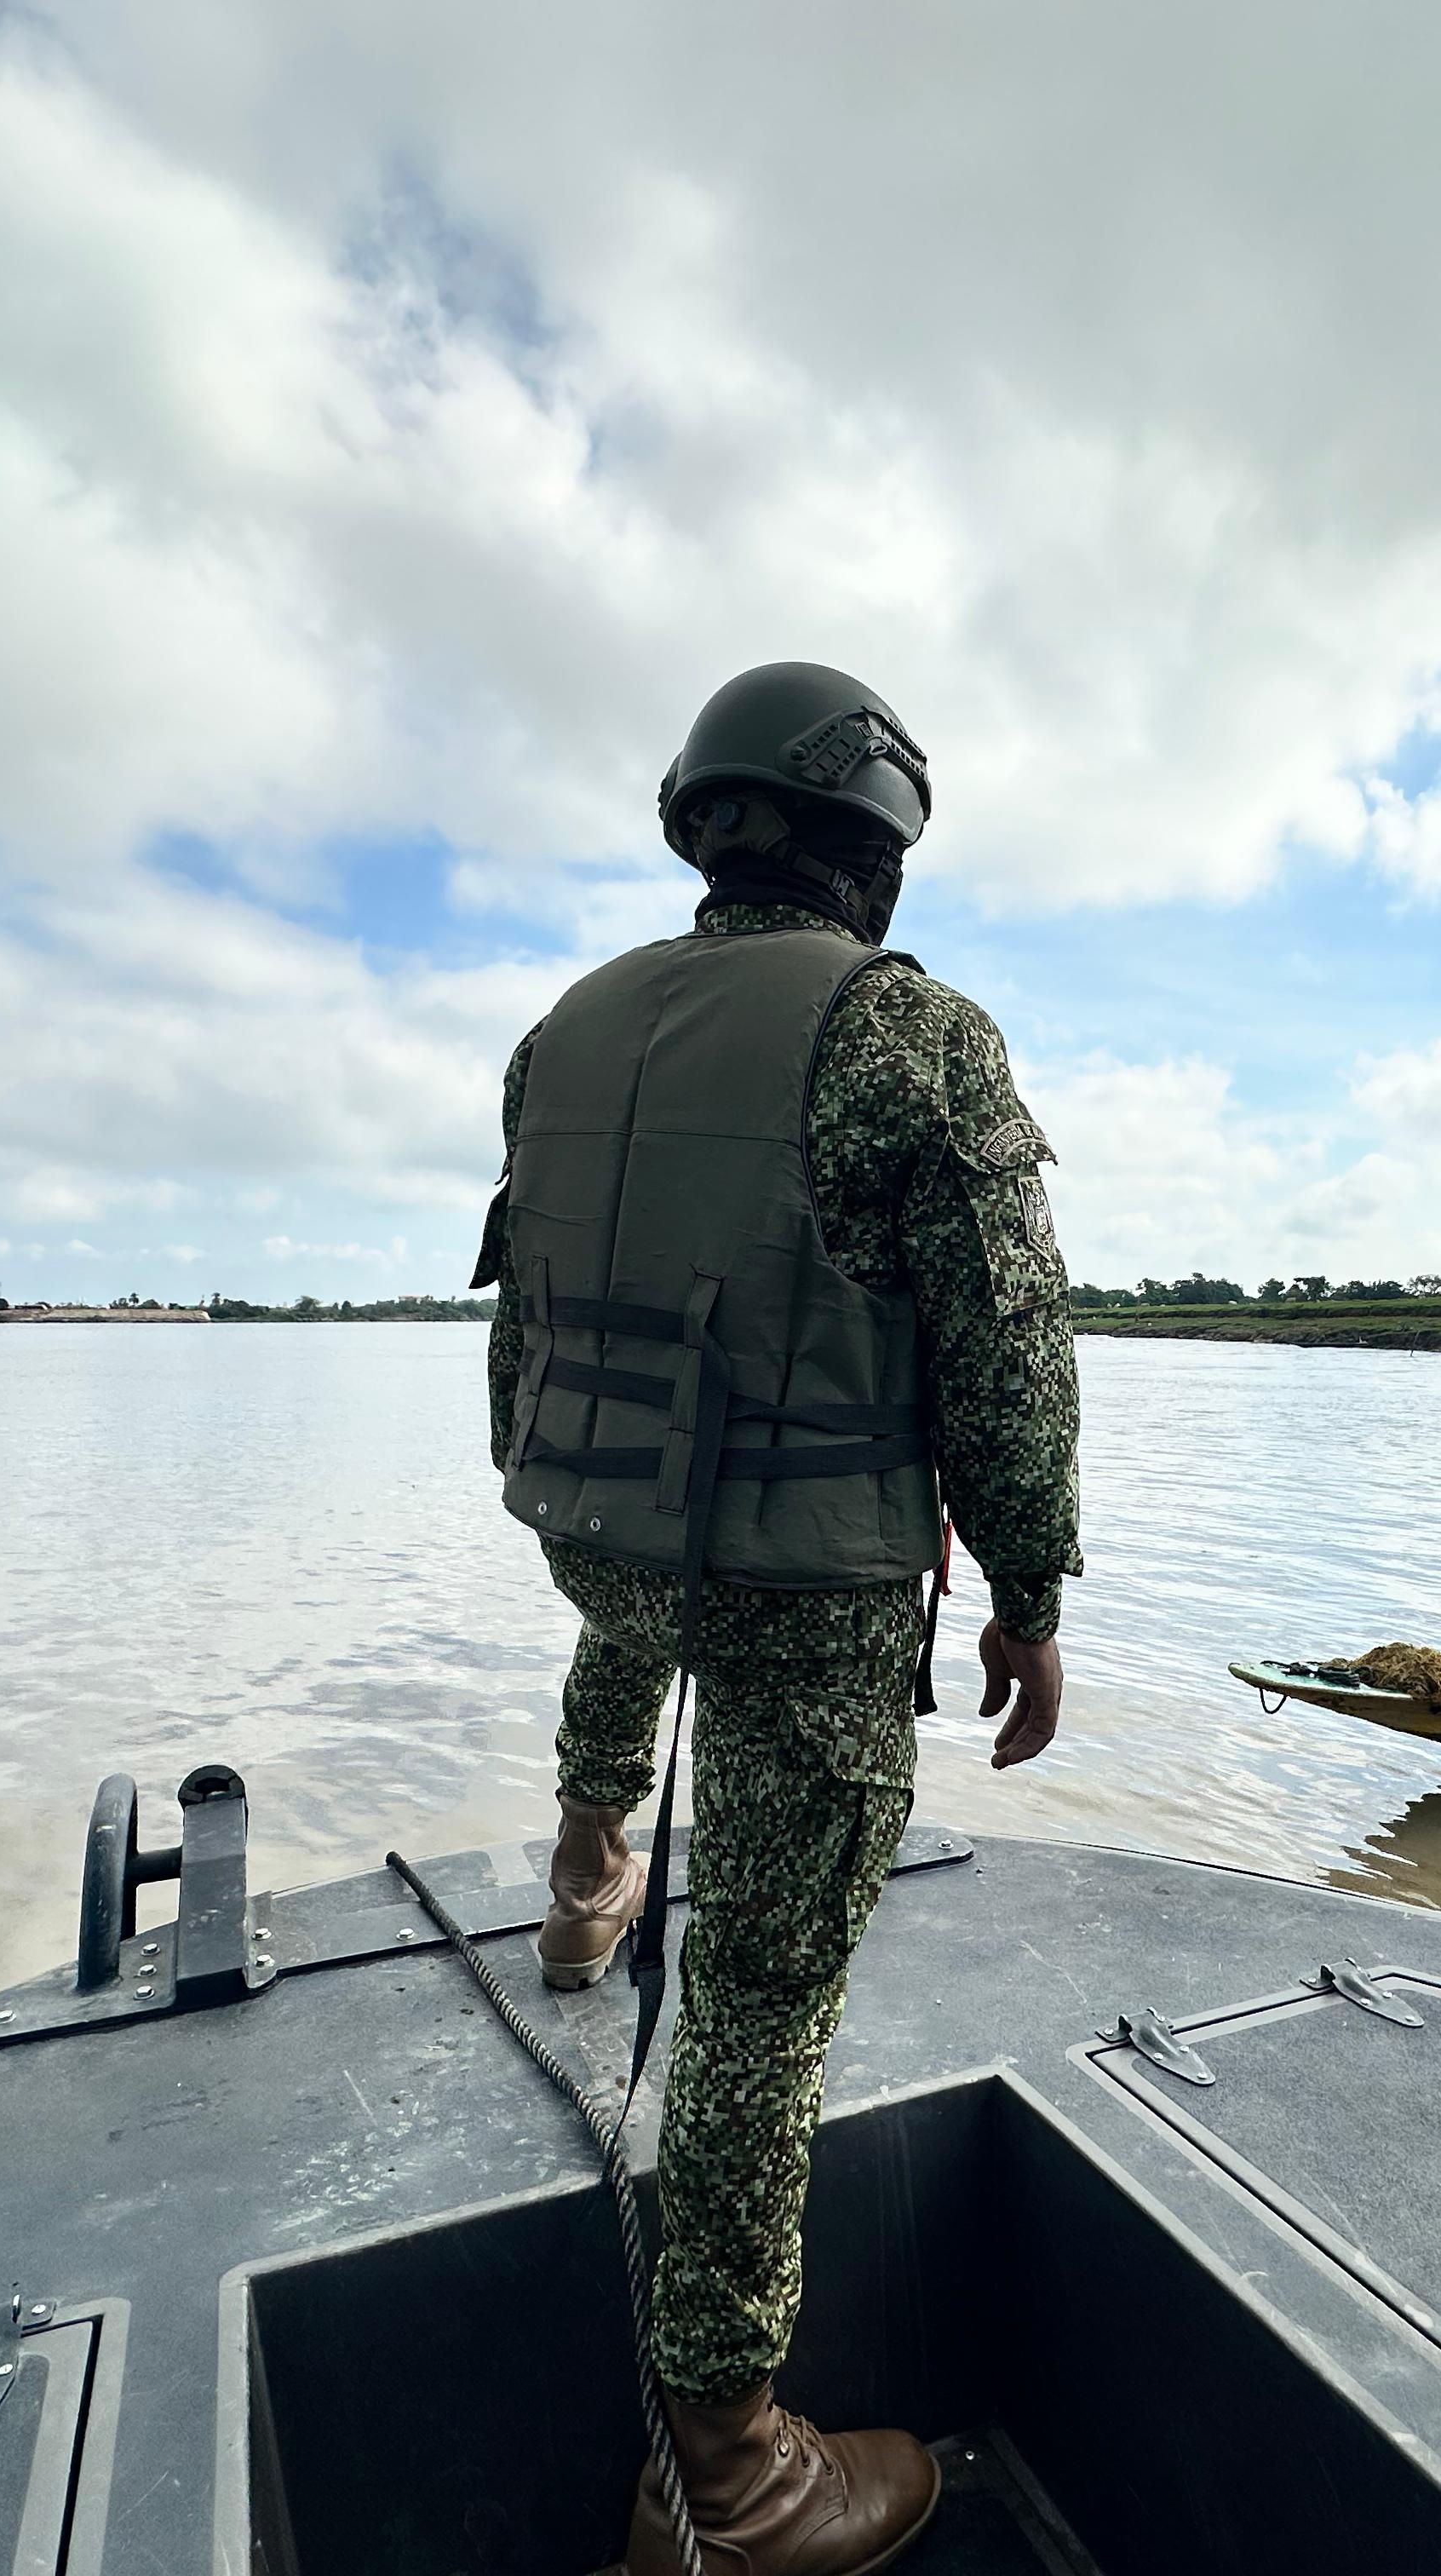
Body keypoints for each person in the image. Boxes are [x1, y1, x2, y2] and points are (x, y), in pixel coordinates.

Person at [475, 660, 1082, 2576]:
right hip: (807, 1582)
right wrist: (1029, 1591)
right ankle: (732, 2477)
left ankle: (585, 1866)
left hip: (603, 1532)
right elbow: (1008, 1356)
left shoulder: (564, 1030)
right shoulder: (910, 1035)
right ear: (869, 846)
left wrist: (584, 1510)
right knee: (755, 1999)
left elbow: (527, 1313)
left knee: (652, 1602)